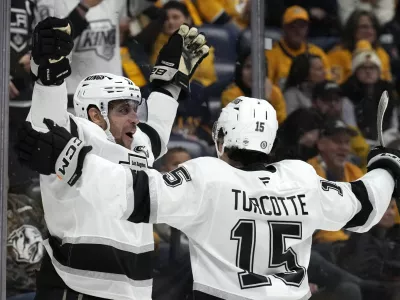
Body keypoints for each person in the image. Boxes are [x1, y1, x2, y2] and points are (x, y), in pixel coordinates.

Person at [18, 92, 400, 300]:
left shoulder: (208, 176)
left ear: (222, 137)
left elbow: (134, 194)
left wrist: (73, 158)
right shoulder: (302, 179)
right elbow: (365, 205)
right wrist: (386, 166)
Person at [20, 17, 209, 300]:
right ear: (95, 114)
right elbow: (44, 126)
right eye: (123, 110)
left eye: (135, 108)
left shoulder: (138, 142)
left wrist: (169, 86)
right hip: (74, 288)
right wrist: (49, 75)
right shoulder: (76, 134)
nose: (135, 119)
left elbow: (156, 129)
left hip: (133, 291)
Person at [265, 5, 331, 89]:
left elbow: (328, 81)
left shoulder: (317, 52)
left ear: (307, 28)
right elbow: (266, 87)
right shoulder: (271, 54)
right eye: (292, 26)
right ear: (284, 28)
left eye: (302, 26)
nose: (297, 31)